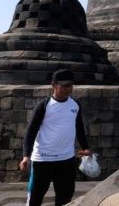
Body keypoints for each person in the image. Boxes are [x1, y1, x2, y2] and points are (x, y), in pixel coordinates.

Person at [20, 69, 91, 206]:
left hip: (66, 159)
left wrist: (86, 147)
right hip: (42, 159)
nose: (67, 89)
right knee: (35, 197)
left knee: (65, 198)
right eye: (63, 86)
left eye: (70, 85)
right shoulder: (44, 106)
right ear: (53, 85)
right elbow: (31, 131)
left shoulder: (75, 104)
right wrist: (26, 156)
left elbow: (79, 128)